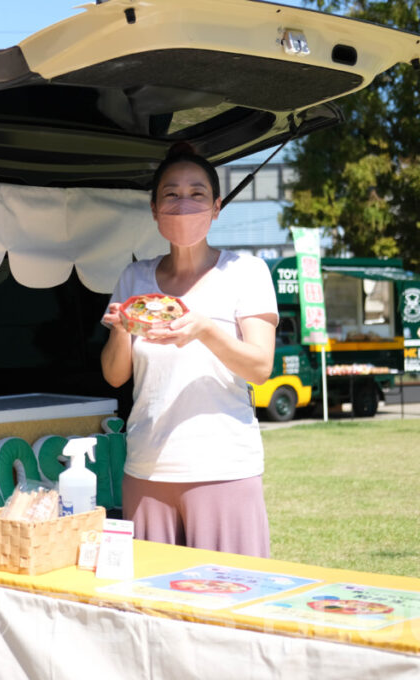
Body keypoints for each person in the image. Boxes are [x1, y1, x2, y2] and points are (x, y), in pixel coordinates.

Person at [100, 143, 278, 558]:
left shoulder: (246, 272)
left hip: (224, 471)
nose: (184, 204)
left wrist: (204, 330)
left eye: (197, 194)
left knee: (229, 599)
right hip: (146, 469)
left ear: (217, 207)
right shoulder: (135, 277)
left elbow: (260, 366)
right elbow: (114, 375)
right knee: (150, 603)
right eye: (172, 195)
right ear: (154, 208)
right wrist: (123, 330)